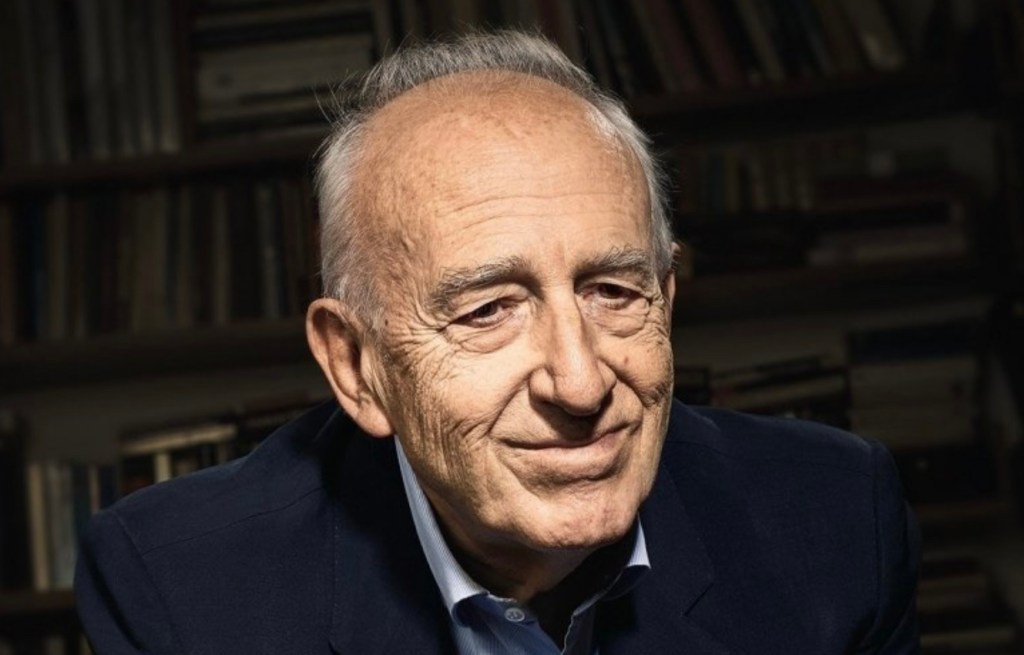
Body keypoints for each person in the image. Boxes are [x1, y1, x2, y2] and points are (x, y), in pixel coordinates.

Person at [75, 31, 919, 654]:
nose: (581, 383)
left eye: (614, 291)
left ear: (665, 300)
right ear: (356, 366)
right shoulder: (181, 588)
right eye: (487, 310)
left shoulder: (837, 520)